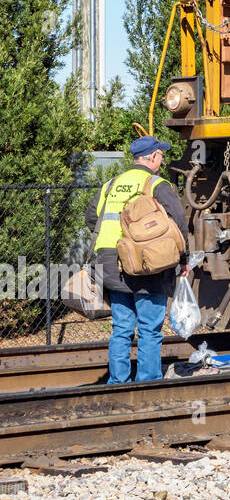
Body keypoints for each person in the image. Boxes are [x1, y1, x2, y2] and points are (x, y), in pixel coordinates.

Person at [86, 136, 189, 385]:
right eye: (161, 155)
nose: (162, 160)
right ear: (152, 157)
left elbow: (91, 217)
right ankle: (148, 382)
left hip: (110, 262)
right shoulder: (156, 184)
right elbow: (178, 223)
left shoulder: (111, 184)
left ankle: (118, 381)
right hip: (145, 264)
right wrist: (182, 258)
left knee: (121, 328)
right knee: (149, 328)